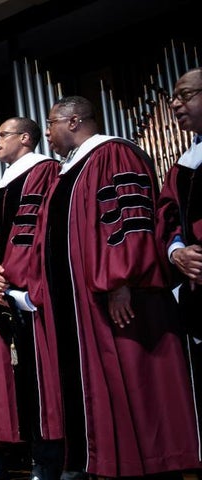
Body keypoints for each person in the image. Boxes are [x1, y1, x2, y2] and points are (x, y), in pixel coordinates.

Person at [36, 95, 200, 477]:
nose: (47, 133)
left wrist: (120, 280)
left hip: (118, 294)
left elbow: (130, 219)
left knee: (135, 377)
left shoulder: (115, 154)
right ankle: (102, 461)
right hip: (81, 303)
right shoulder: (71, 169)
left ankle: (145, 463)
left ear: (73, 121)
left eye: (50, 124)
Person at [0, 117, 64, 480]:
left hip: (38, 293)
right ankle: (38, 457)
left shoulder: (44, 171)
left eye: (2, 135)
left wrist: (14, 282)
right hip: (9, 292)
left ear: (25, 138)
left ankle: (56, 460)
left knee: (47, 380)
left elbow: (36, 230)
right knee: (25, 379)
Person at [157, 67, 202, 446]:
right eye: (174, 97)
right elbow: (167, 218)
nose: (174, 103)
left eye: (185, 95)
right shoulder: (184, 165)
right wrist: (176, 252)